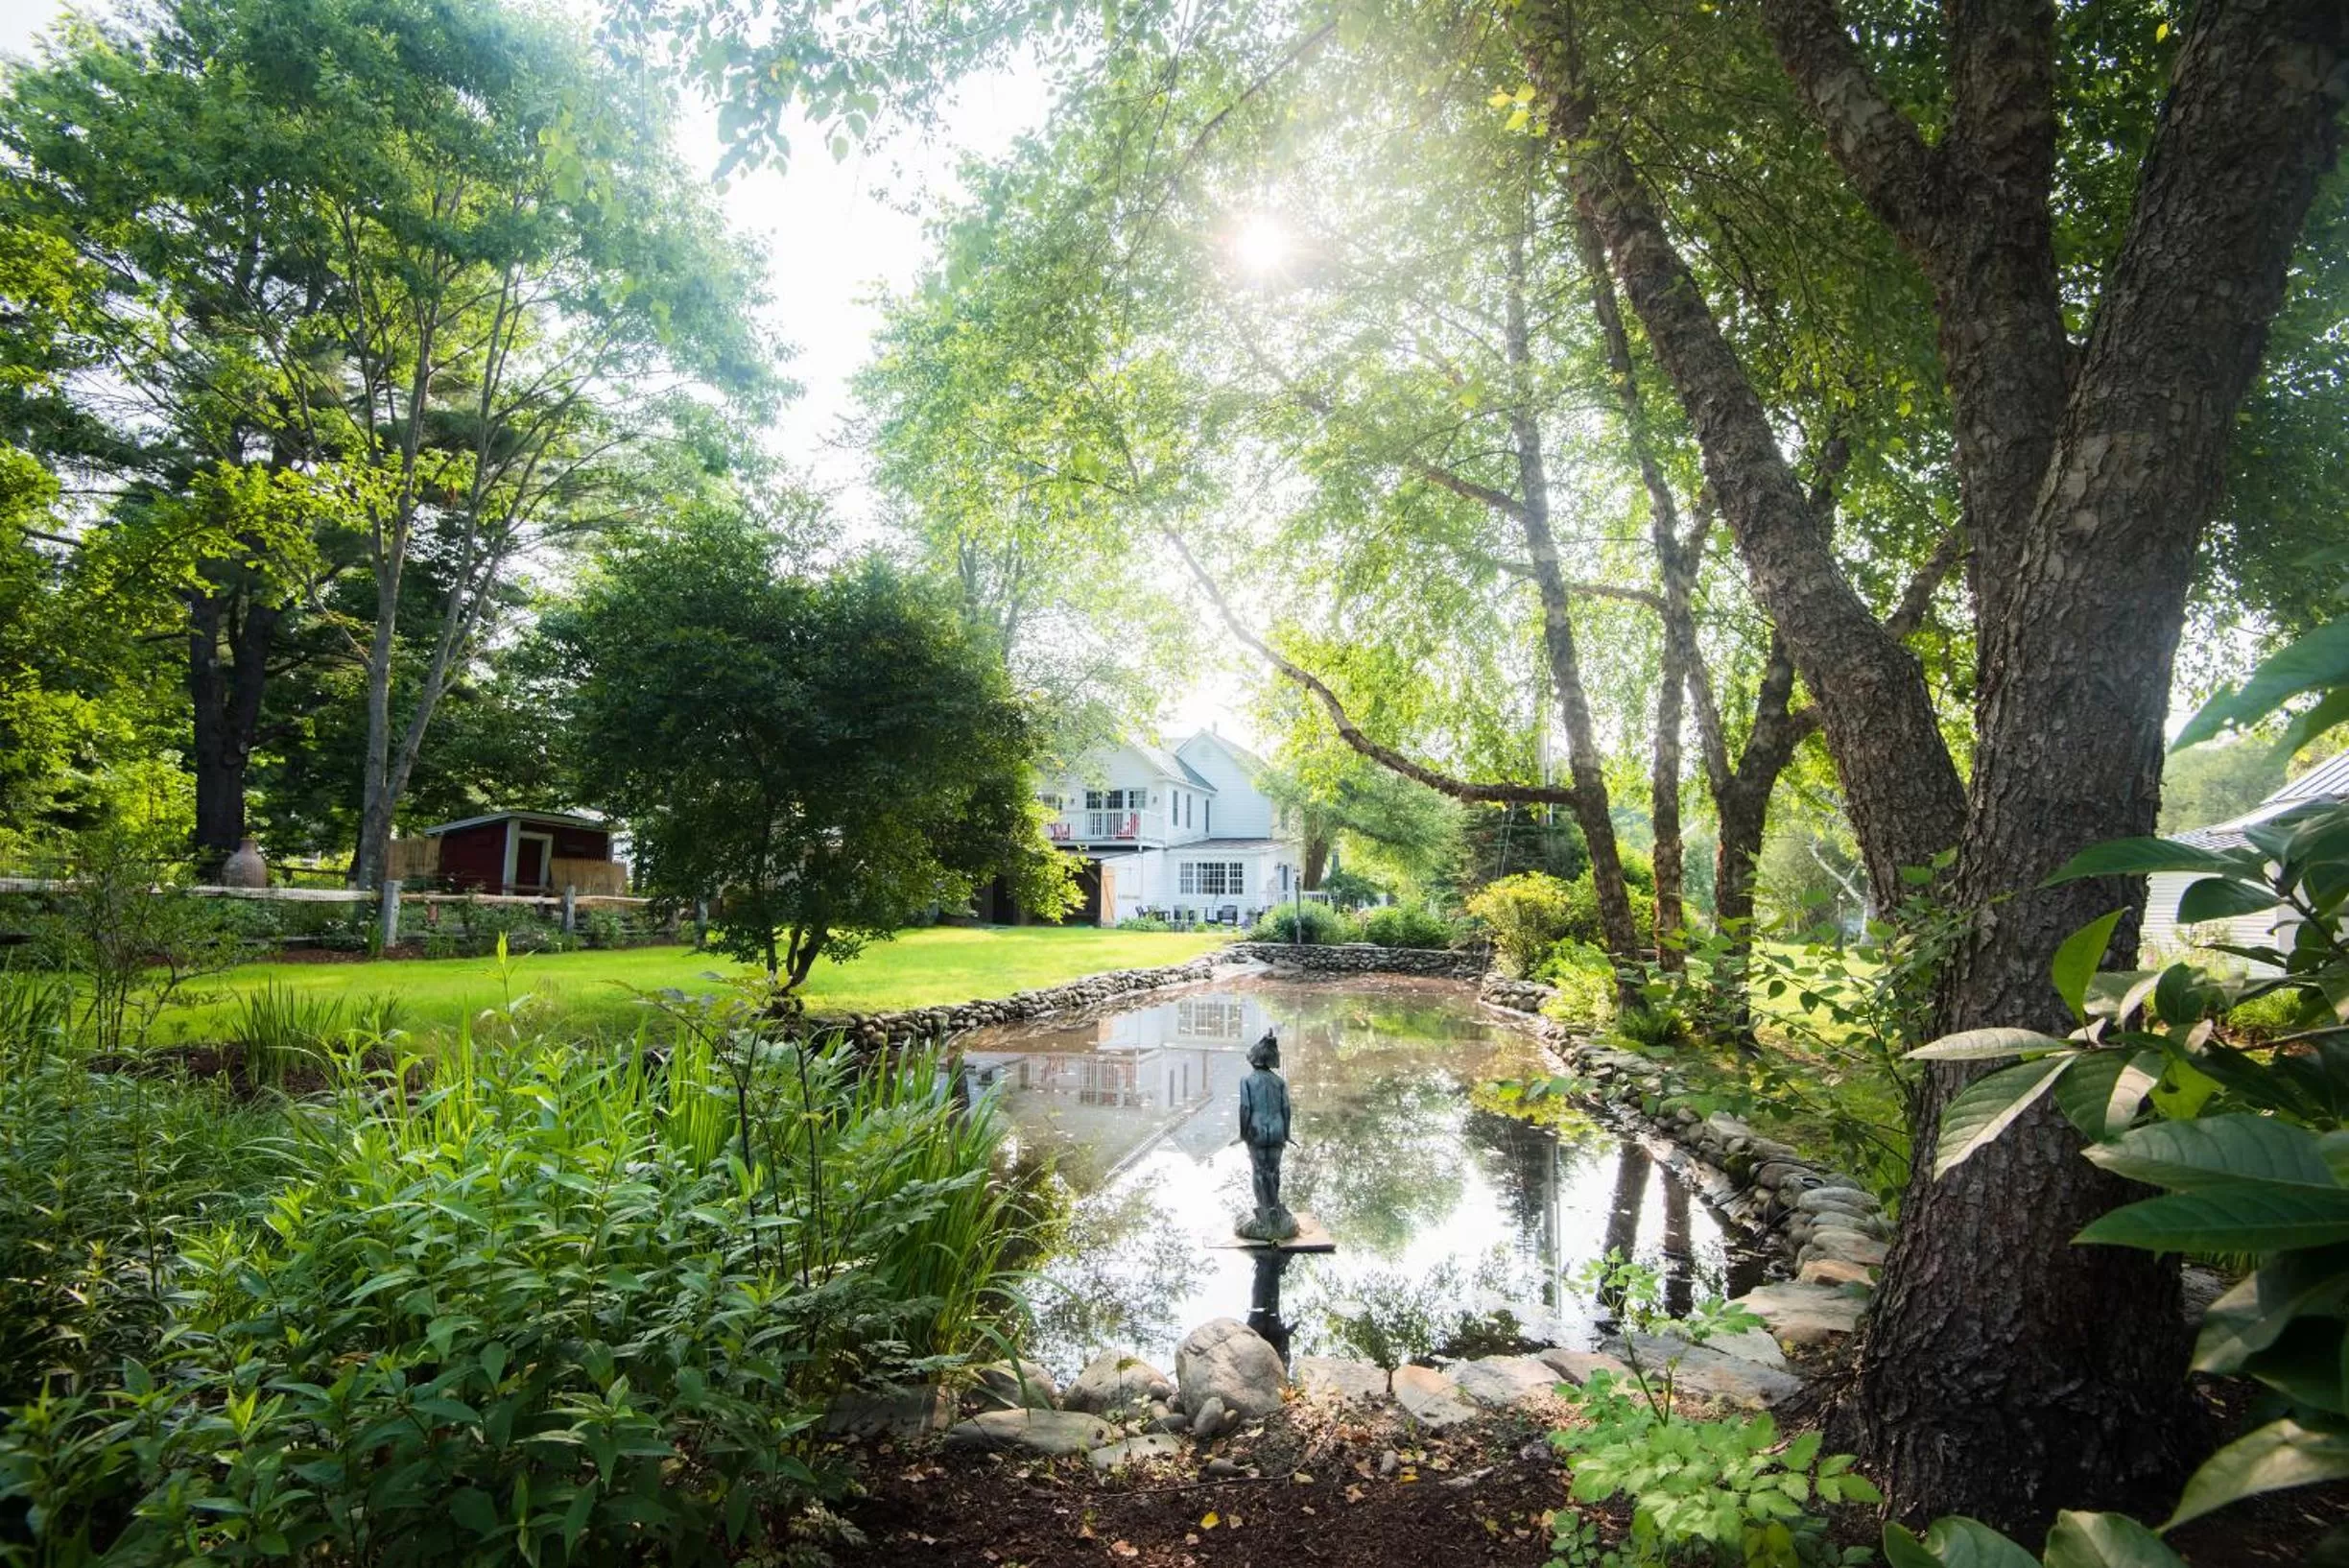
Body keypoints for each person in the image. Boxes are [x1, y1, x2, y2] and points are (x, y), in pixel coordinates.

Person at [1236, 1028, 1297, 1241]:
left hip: (1257, 1133)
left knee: (1259, 1172)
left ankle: (1265, 1214)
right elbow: (1286, 1109)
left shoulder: (1247, 1081)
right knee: (1274, 1171)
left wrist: (1243, 1134)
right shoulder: (1280, 1082)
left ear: (1254, 1059)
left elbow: (1245, 1109)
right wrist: (1287, 1133)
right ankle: (1274, 1211)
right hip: (1278, 1132)